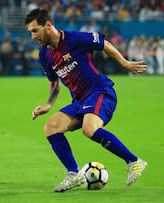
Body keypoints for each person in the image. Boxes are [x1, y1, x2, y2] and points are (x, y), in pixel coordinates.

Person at [25, 8, 148, 192]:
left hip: (100, 91)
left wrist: (124, 63)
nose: (33, 36)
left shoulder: (74, 39)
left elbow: (104, 43)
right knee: (51, 127)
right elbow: (54, 83)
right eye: (30, 32)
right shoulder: (45, 55)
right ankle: (73, 174)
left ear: (48, 25)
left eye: (35, 30)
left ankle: (134, 161)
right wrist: (48, 104)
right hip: (80, 101)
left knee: (88, 129)